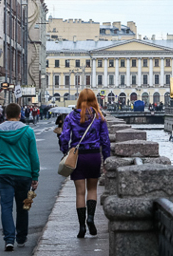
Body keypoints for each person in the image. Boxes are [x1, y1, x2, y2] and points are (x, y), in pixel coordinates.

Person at [59, 88, 111, 239]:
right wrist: (106, 159)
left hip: (78, 157)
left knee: (80, 192)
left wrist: (65, 151)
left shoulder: (71, 117)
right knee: (92, 189)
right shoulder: (99, 117)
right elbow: (105, 141)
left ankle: (81, 226)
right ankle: (91, 219)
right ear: (94, 100)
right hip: (94, 156)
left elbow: (64, 136)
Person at [0, 102, 40, 251]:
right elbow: (33, 156)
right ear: (20, 115)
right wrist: (35, 175)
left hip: (5, 173)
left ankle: (9, 239)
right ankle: (22, 237)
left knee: (6, 206)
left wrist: (0, 165)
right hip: (24, 174)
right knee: (23, 206)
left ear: (5, 115)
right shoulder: (28, 131)